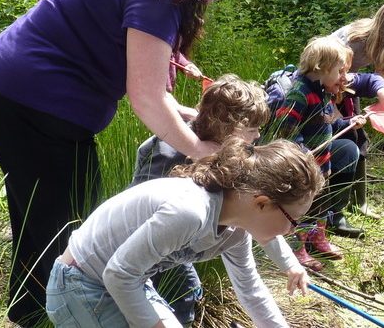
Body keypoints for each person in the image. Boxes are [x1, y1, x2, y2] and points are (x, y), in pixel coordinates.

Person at [0, 0, 252, 326]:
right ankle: (44, 315)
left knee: (54, 218)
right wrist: (200, 150)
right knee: (67, 227)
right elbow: (146, 99)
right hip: (27, 102)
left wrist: (183, 114)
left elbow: (148, 82)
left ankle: (31, 312)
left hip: (22, 98)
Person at [45, 138, 323, 328]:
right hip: (80, 283)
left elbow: (250, 290)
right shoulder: (190, 212)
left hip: (130, 281)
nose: (291, 230)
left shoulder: (236, 231)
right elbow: (117, 274)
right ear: (262, 203)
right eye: (293, 220)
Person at [130, 74, 309, 323]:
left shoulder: (232, 157)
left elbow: (259, 218)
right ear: (229, 127)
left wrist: (289, 263)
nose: (257, 136)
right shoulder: (169, 152)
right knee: (184, 292)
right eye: (252, 129)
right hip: (146, 242)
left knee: (188, 292)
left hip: (180, 244)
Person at [266, 36, 366, 269]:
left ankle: (317, 237)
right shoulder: (299, 92)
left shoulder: (322, 92)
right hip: (306, 166)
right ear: (322, 67)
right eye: (340, 71)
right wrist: (304, 153)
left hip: (322, 165)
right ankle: (297, 248)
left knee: (319, 203)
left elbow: (327, 123)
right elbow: (285, 129)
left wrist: (351, 122)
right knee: (301, 207)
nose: (344, 77)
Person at [331, 0, 384, 217]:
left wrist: (381, 99)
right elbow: (332, 78)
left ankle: (359, 202)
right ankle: (333, 205)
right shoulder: (356, 42)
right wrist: (343, 114)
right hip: (331, 84)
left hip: (352, 84)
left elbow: (379, 78)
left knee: (361, 140)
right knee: (347, 137)